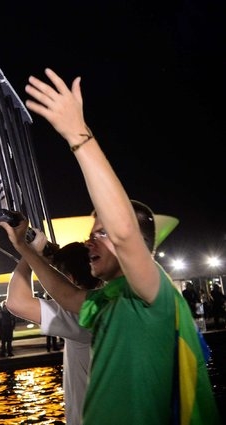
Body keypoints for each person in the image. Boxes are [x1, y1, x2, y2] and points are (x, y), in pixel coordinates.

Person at [11, 67, 220, 424]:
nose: (93, 238)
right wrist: (25, 248)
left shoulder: (155, 290)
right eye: (95, 231)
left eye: (101, 232)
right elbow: (65, 295)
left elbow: (124, 235)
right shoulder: (109, 300)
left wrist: (77, 134)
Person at [5, 239, 101, 425]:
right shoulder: (108, 303)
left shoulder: (81, 316)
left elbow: (16, 302)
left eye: (54, 276)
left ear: (70, 280)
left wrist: (30, 254)